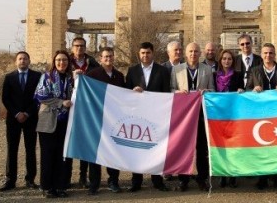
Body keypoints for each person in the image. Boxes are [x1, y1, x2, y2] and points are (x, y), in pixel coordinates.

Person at [125, 42, 171, 192]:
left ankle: (157, 180)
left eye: (148, 53)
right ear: (139, 54)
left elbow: (166, 94)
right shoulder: (132, 71)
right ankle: (136, 181)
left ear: (153, 53)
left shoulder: (163, 71)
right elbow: (125, 93)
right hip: (137, 117)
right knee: (136, 148)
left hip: (156, 116)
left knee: (156, 148)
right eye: (143, 53)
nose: (145, 55)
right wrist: (133, 91)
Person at [247, 43, 277, 191]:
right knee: (262, 147)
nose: (268, 56)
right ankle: (263, 178)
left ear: (274, 54)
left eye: (271, 53)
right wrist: (253, 89)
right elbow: (247, 89)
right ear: (261, 55)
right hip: (260, 115)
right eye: (265, 53)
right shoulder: (254, 71)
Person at [170, 42, 215, 191]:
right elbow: (170, 90)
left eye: (196, 51)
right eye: (190, 51)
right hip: (184, 117)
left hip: (201, 115)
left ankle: (202, 178)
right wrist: (177, 93)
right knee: (184, 148)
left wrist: (206, 91)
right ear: (185, 53)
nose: (193, 54)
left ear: (200, 53)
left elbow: (213, 90)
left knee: (202, 149)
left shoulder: (207, 70)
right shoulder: (176, 70)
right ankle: (183, 179)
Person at [0, 51, 42, 191]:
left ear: (29, 61)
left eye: (25, 58)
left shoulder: (37, 76)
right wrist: (17, 113)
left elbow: (38, 97)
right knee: (12, 149)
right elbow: (6, 98)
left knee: (30, 149)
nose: (22, 61)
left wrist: (27, 113)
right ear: (15, 61)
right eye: (20, 59)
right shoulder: (9, 77)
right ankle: (10, 180)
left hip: (30, 118)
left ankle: (30, 179)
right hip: (13, 119)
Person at [35, 50, 74, 198]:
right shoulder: (46, 77)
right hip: (48, 121)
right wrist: (61, 102)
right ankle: (47, 187)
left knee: (61, 156)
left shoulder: (71, 79)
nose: (61, 63)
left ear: (68, 62)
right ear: (54, 61)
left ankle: (60, 186)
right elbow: (40, 96)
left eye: (64, 60)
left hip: (65, 122)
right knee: (48, 155)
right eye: (58, 60)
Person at [86, 47, 125, 195]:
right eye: (105, 57)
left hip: (114, 120)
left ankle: (113, 181)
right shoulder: (92, 75)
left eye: (110, 56)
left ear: (114, 57)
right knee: (95, 153)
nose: (108, 59)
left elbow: (124, 96)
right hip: (97, 119)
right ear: (100, 59)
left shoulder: (120, 76)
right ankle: (94, 183)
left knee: (114, 151)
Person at [69, 36, 99, 188]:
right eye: (76, 46)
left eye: (81, 46)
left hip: (87, 107)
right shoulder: (66, 63)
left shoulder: (92, 63)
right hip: (70, 106)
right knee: (68, 140)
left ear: (85, 48)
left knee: (86, 142)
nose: (79, 48)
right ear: (72, 47)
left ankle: (83, 175)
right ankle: (65, 177)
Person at [214, 49, 244, 189]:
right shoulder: (214, 75)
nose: (227, 61)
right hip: (218, 116)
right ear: (220, 60)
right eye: (224, 58)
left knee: (233, 145)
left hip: (233, 115)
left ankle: (233, 175)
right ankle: (222, 175)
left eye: (229, 59)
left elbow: (243, 90)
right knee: (221, 146)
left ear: (233, 61)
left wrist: (241, 91)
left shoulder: (238, 76)